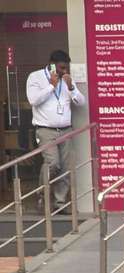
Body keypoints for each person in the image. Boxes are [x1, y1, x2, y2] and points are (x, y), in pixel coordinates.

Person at [26, 50, 86, 208]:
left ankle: (60, 203)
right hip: (46, 130)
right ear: (52, 65)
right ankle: (42, 194)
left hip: (65, 130)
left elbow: (81, 102)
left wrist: (71, 87)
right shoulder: (36, 77)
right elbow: (33, 100)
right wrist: (51, 86)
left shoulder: (66, 80)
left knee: (65, 167)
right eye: (61, 68)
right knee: (53, 163)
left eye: (66, 68)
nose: (64, 71)